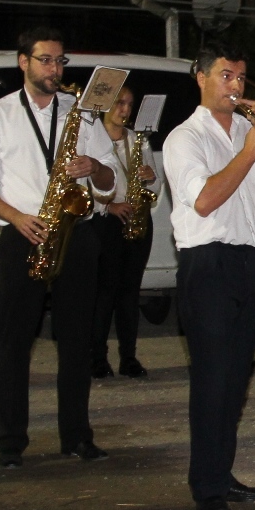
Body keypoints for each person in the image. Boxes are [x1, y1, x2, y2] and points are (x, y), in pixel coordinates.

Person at [0, 26, 118, 468]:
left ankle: (77, 437)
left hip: (77, 234)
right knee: (14, 343)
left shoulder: (82, 113)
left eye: (59, 61)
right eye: (46, 60)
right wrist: (16, 217)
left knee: (77, 342)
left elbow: (110, 183)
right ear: (23, 62)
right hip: (24, 231)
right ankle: (10, 443)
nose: (55, 69)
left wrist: (95, 168)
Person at [162, 40, 255, 510]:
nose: (235, 86)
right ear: (200, 77)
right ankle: (206, 488)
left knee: (237, 377)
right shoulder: (184, 138)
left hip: (249, 261)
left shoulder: (251, 130)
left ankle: (223, 474)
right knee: (212, 378)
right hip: (208, 264)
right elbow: (204, 200)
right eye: (225, 76)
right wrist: (249, 150)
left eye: (240, 77)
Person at [93, 83, 158, 380]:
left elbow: (155, 189)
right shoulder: (94, 139)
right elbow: (84, 186)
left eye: (129, 104)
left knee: (130, 293)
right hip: (107, 221)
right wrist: (109, 206)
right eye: (120, 103)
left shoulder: (138, 141)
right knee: (105, 292)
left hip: (137, 220)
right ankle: (97, 357)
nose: (125, 110)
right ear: (107, 106)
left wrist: (150, 176)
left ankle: (128, 357)